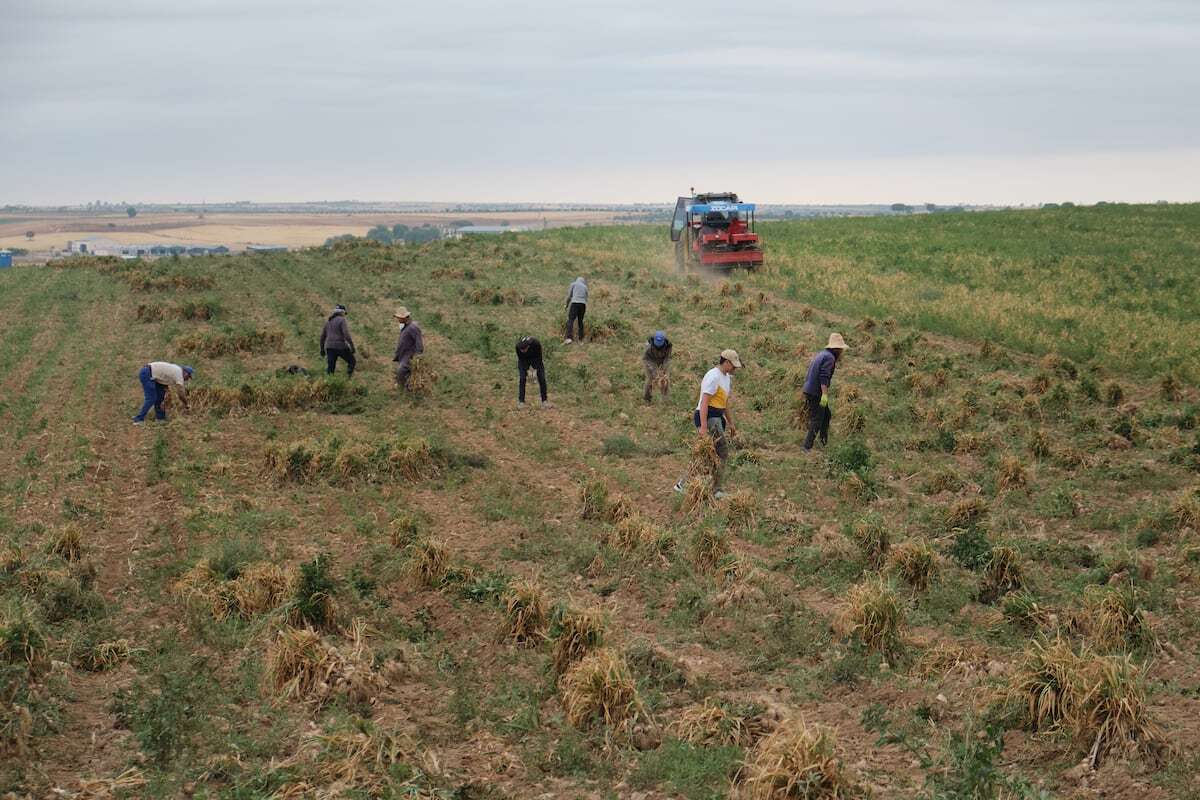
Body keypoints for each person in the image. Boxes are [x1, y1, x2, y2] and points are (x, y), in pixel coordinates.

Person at [673, 349, 741, 498]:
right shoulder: (713, 376)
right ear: (727, 362)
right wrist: (703, 426)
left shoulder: (726, 378)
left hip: (717, 418)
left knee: (707, 454)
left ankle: (682, 484)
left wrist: (731, 423)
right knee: (722, 451)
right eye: (734, 365)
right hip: (708, 417)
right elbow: (704, 402)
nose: (735, 368)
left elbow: (725, 403)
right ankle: (716, 490)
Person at [801, 333, 848, 451]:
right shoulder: (830, 358)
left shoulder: (822, 354)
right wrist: (824, 395)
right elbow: (824, 377)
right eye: (841, 349)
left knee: (826, 415)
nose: (842, 352)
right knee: (817, 419)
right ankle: (806, 447)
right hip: (816, 392)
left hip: (810, 389)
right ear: (836, 349)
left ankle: (823, 442)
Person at [319, 304, 356, 376]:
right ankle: (347, 378)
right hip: (340, 346)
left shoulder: (328, 322)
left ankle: (329, 383)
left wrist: (322, 349)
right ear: (342, 312)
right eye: (344, 313)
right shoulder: (342, 320)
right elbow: (347, 335)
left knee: (330, 368)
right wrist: (352, 346)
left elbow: (322, 337)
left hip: (329, 347)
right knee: (352, 361)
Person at [392, 307, 424, 390]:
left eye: (399, 317)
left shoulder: (413, 327)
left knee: (401, 370)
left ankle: (402, 388)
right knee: (405, 372)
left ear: (404, 317)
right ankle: (407, 387)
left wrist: (418, 356)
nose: (397, 319)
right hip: (404, 355)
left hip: (409, 356)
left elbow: (419, 342)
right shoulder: (406, 326)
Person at [516, 336, 552, 408]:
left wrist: (535, 370)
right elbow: (521, 359)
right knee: (522, 378)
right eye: (521, 350)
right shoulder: (518, 347)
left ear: (528, 346)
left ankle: (544, 401)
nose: (522, 351)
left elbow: (539, 358)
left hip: (535, 358)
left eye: (524, 349)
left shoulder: (536, 344)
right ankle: (521, 402)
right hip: (524, 360)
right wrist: (527, 370)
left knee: (542, 378)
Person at [642, 330, 672, 404]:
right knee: (651, 379)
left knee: (665, 379)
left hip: (662, 360)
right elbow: (646, 359)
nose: (658, 346)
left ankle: (665, 400)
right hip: (650, 360)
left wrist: (664, 369)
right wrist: (654, 371)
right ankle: (647, 399)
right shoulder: (648, 347)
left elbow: (667, 358)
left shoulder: (668, 345)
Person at [564, 276, 588, 344]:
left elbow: (569, 296)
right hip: (583, 305)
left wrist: (566, 304)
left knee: (571, 320)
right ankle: (581, 339)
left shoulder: (573, 284)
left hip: (575, 303)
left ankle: (569, 338)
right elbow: (586, 298)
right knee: (580, 321)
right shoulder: (585, 287)